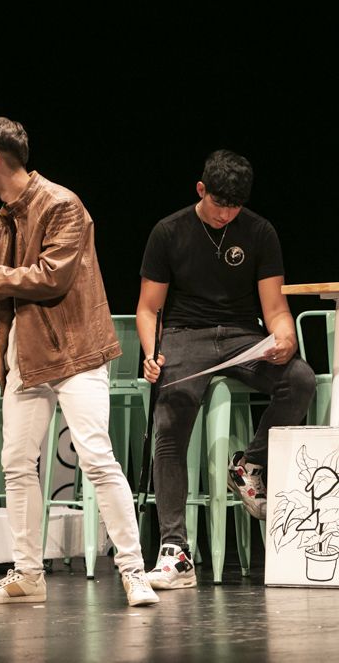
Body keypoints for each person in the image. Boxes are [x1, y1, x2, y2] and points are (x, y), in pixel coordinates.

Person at [0, 116, 158, 607]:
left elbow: (48, 279)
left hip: (77, 351)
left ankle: (133, 570)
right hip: (27, 355)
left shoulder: (63, 205)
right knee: (17, 465)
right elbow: (0, 287)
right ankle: (27, 574)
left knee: (97, 458)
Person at [137, 149, 316, 590]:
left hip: (241, 334)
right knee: (172, 413)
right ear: (201, 190)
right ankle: (175, 551)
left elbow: (275, 307)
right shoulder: (169, 231)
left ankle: (249, 465)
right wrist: (151, 353)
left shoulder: (259, 232)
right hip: (185, 333)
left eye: (234, 207)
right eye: (219, 205)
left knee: (300, 378)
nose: (226, 215)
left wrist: (284, 337)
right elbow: (147, 307)